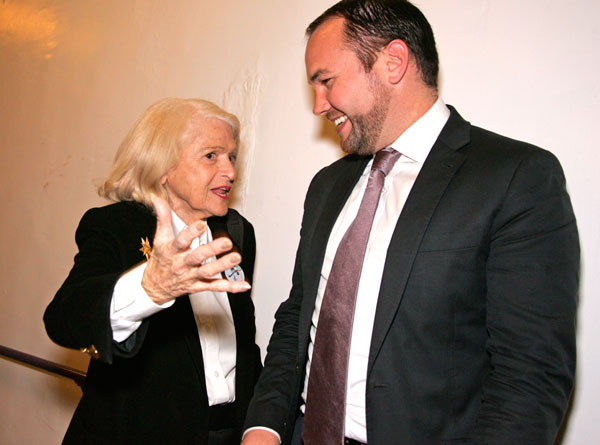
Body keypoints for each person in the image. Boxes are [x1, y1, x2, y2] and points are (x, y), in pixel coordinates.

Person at [242, 1, 579, 444]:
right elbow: (298, 319)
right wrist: (262, 426)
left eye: (326, 81)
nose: (318, 106)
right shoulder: (328, 185)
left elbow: (528, 381)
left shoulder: (515, 177)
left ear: (392, 62)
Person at [43, 98, 262, 444]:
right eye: (211, 156)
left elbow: (242, 346)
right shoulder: (116, 226)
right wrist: (150, 289)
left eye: (231, 156)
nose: (230, 172)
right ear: (163, 166)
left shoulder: (235, 234)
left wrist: (259, 422)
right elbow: (65, 320)